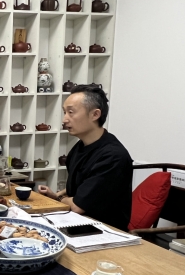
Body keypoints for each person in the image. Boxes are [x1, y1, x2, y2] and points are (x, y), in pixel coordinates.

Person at [38, 85, 133, 231]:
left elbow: (78, 206)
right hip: (75, 222)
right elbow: (82, 186)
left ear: (95, 114)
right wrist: (55, 195)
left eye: (71, 112)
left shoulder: (113, 156)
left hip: (102, 231)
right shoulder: (80, 146)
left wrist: (59, 199)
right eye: (64, 112)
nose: (64, 119)